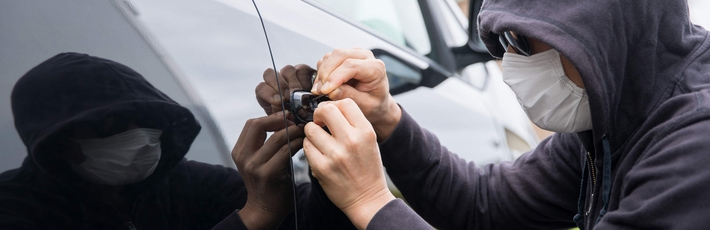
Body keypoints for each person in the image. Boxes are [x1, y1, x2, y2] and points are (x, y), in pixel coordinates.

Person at [258, 0, 710, 229]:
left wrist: (371, 204)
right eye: (506, 41)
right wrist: (386, 120)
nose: (512, 63)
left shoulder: (695, 148)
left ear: (603, 33)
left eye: (526, 41)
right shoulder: (616, 121)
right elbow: (484, 205)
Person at [0, 52, 352, 229]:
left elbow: (314, 223)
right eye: (109, 124)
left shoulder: (191, 184)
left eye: (151, 121)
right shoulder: (15, 207)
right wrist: (253, 217)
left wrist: (326, 135)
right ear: (56, 142)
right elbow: (260, 212)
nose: (140, 136)